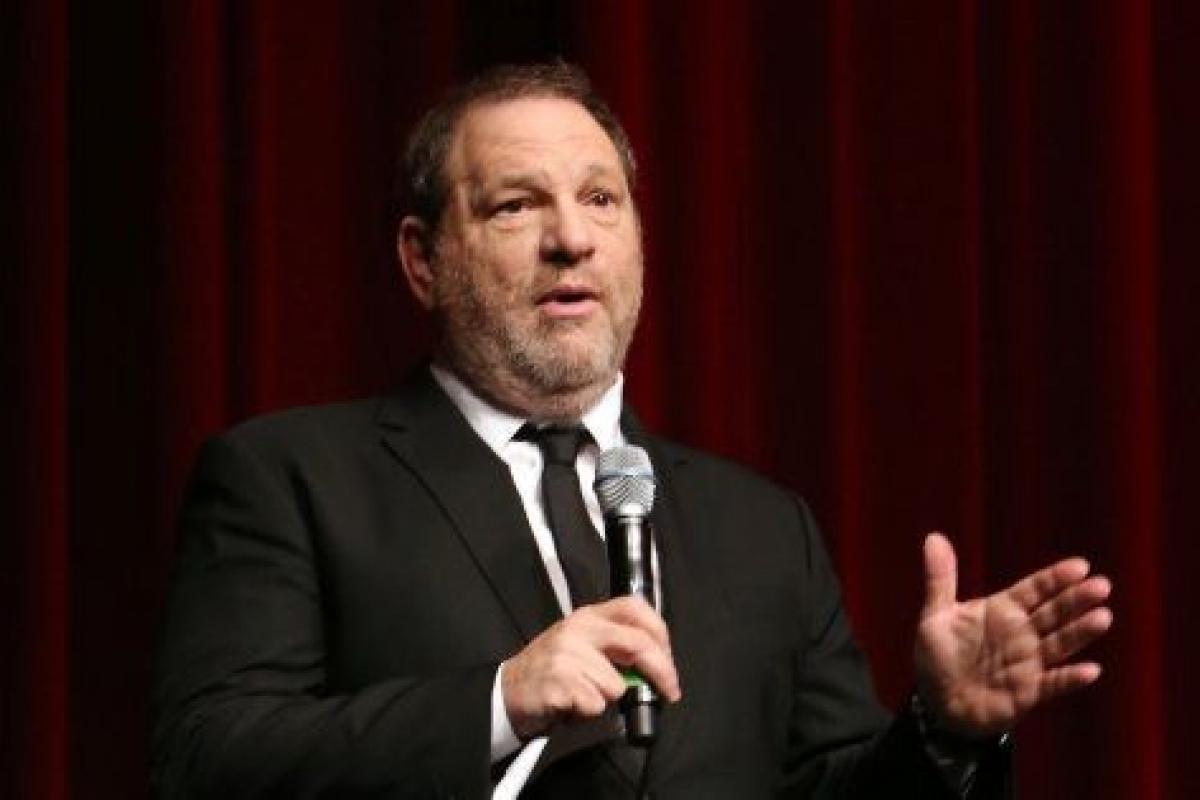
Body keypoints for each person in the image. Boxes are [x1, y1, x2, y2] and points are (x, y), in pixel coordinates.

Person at [150, 62, 1113, 799]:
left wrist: (941, 732)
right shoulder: (291, 478)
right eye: (517, 205)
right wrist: (499, 700)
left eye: (600, 199)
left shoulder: (762, 526)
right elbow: (208, 759)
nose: (571, 238)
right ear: (422, 260)